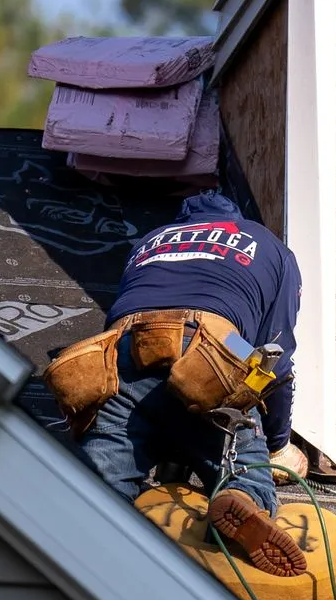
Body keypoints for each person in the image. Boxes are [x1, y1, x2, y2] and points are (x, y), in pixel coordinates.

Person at [48, 190, 309, 578]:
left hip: (124, 346)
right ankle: (242, 494)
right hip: (213, 344)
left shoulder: (149, 241)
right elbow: (277, 358)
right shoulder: (269, 246)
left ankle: (87, 521)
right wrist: (276, 444)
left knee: (107, 459)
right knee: (240, 454)